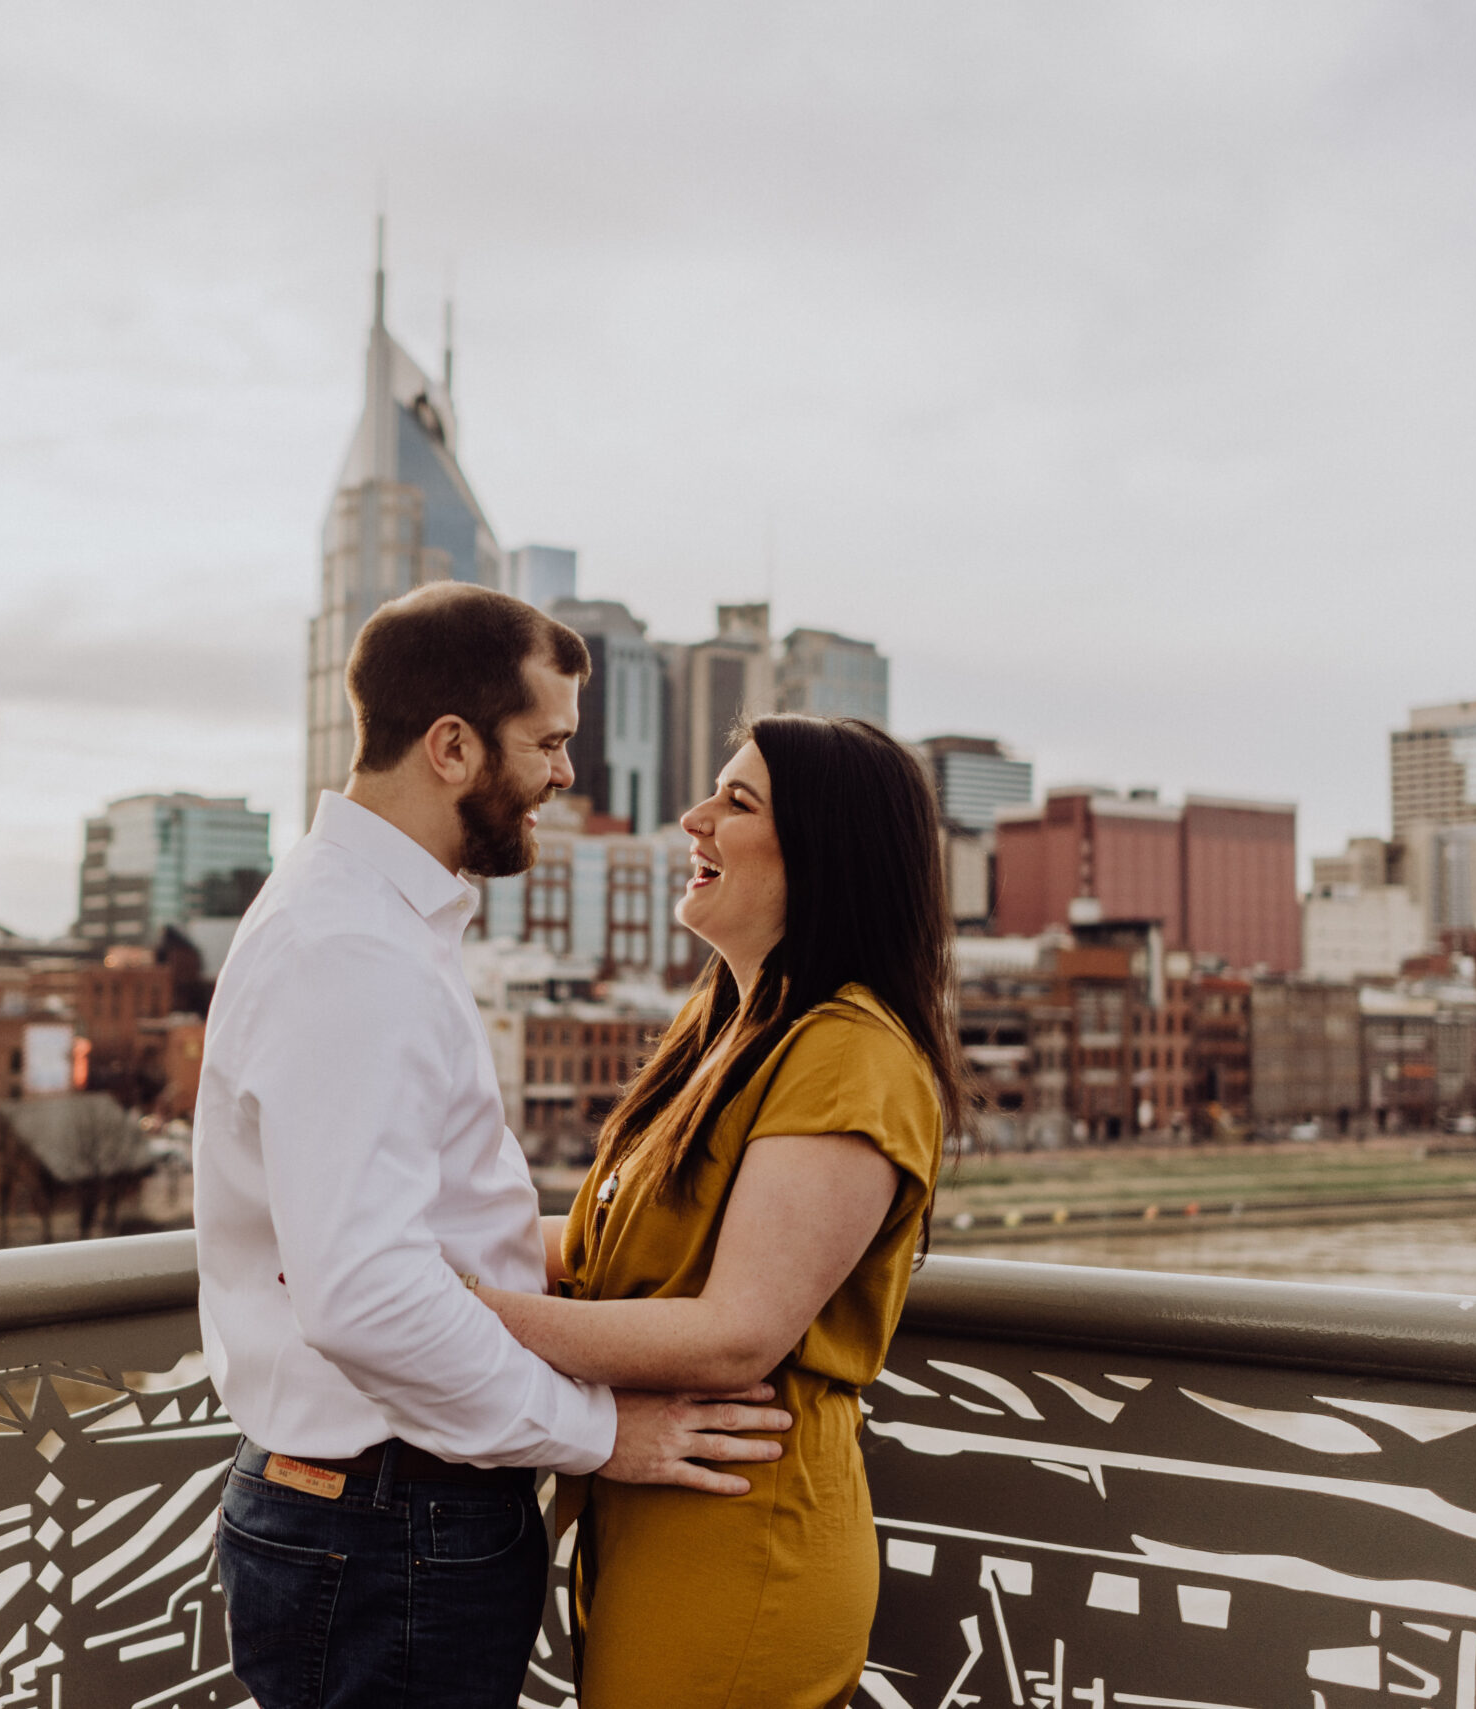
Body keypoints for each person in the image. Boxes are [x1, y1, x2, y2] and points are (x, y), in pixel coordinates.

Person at [194, 582, 795, 1709]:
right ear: (452, 745)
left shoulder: (359, 918)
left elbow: (416, 1233)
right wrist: (596, 1430)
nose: (567, 774)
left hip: (378, 1518)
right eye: (550, 741)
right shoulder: (351, 950)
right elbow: (366, 1294)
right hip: (386, 1525)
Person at [472, 714, 963, 1709]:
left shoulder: (848, 1052)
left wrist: (451, 1309)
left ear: (827, 851)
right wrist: (392, 1243)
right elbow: (611, 1252)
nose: (693, 818)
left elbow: (736, 1329)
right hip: (656, 1517)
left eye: (737, 803)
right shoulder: (730, 1029)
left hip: (745, 1533)